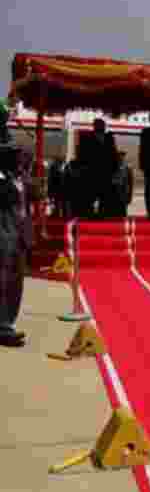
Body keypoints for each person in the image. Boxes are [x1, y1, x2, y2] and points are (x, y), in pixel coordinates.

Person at [0, 145, 39, 347]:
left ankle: (10, 323)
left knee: (16, 282)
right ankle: (3, 327)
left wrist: (25, 177)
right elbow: (8, 197)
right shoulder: (3, 179)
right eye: (18, 158)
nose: (22, 161)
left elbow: (37, 193)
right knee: (3, 283)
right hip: (4, 235)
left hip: (20, 236)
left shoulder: (22, 179)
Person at [79, 117, 118, 218]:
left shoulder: (109, 138)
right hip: (91, 172)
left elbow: (114, 154)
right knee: (90, 196)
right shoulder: (86, 138)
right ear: (94, 126)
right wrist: (83, 169)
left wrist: (114, 170)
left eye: (102, 125)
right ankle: (89, 215)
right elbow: (82, 155)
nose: (101, 127)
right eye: (99, 125)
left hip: (106, 172)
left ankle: (103, 215)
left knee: (105, 197)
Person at [110, 151, 133, 218]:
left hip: (123, 195)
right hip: (114, 195)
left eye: (122, 156)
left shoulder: (128, 168)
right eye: (119, 156)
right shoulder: (111, 168)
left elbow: (130, 183)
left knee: (122, 215)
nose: (121, 158)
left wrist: (130, 196)